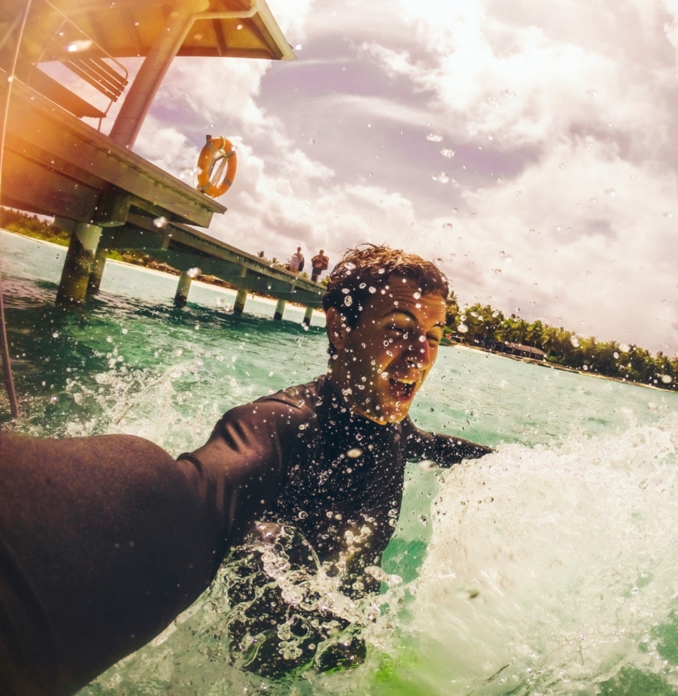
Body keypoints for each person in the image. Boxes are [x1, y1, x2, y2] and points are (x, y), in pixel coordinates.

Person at [0, 245, 491, 695]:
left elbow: (431, 445)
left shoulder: (395, 432)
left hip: (345, 672)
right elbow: (190, 498)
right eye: (399, 328)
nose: (420, 355)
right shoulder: (277, 427)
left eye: (432, 337)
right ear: (340, 328)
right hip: (248, 679)